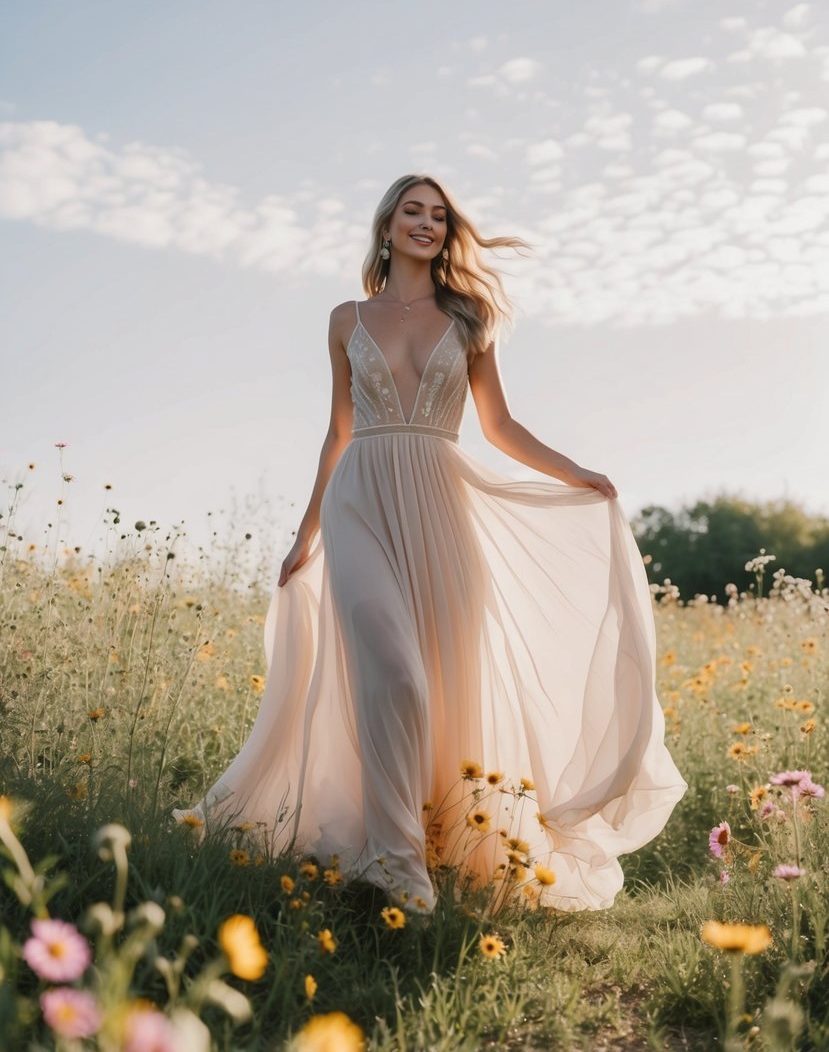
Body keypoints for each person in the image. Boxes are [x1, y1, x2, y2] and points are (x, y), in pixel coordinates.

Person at [173, 173, 687, 914]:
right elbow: (338, 431)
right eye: (412, 211)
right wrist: (304, 533)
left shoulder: (471, 315)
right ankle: (393, 866)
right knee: (394, 673)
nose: (426, 223)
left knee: (446, 685)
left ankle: (442, 837)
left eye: (438, 215)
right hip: (361, 500)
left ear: (448, 232)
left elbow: (499, 426)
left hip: (442, 509)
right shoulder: (344, 318)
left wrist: (576, 473)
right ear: (385, 227)